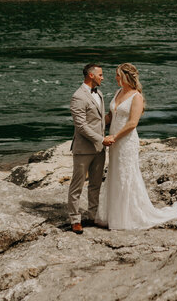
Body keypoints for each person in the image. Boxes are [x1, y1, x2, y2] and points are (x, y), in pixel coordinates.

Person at [96, 63, 177, 230]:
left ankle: (128, 217)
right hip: (114, 141)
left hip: (126, 141)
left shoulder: (136, 97)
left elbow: (132, 123)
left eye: (118, 75)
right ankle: (114, 215)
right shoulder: (118, 92)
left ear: (126, 77)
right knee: (115, 174)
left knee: (126, 175)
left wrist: (114, 136)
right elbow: (110, 116)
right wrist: (94, 123)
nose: (115, 78)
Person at [68, 63, 113, 234]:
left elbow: (99, 121)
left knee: (95, 184)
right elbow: (81, 126)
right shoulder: (78, 96)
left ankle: (93, 215)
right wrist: (102, 139)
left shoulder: (99, 93)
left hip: (99, 149)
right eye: (100, 75)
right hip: (84, 149)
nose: (103, 77)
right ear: (91, 75)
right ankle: (74, 219)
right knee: (77, 185)